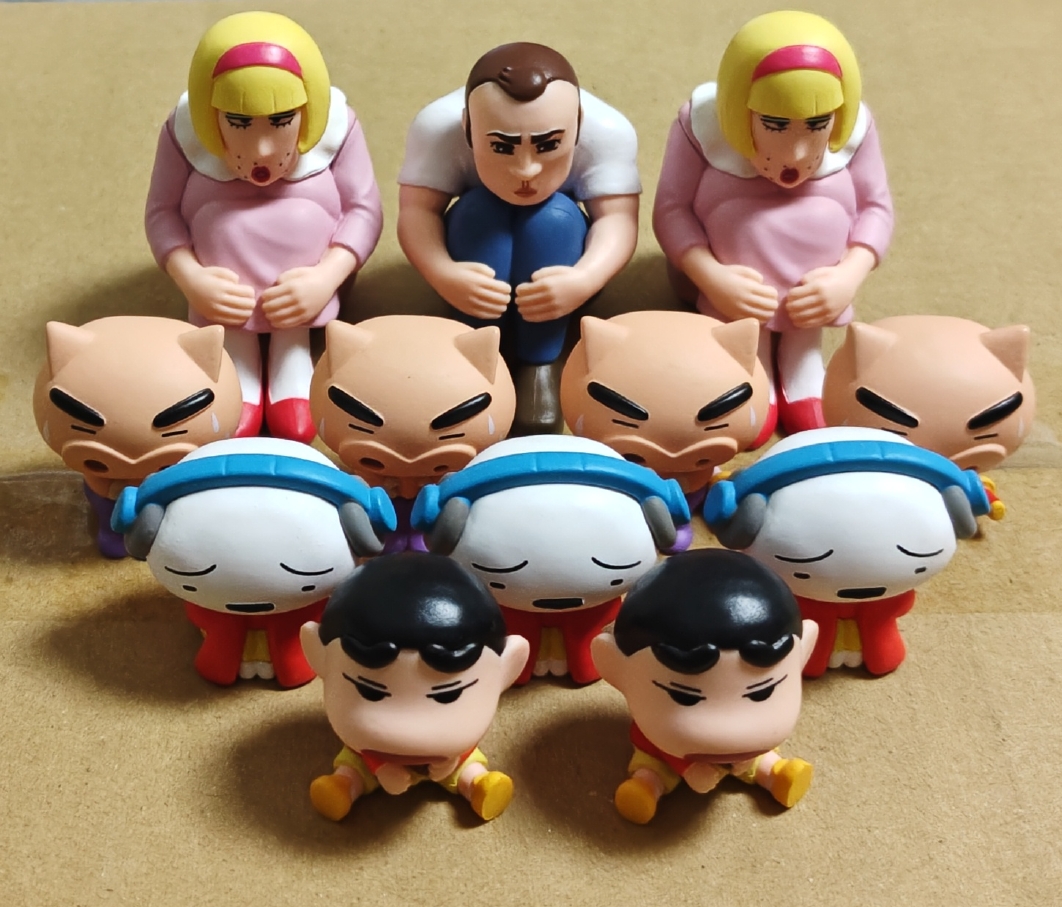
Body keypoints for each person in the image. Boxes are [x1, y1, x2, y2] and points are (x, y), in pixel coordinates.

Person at [145, 11, 383, 443]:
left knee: (301, 217)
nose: (262, 149)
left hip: (305, 284)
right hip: (222, 286)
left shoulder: (340, 128)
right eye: (238, 123)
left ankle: (291, 353)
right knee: (222, 224)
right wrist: (191, 277)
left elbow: (363, 209)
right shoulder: (182, 133)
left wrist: (325, 277)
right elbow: (162, 213)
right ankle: (239, 359)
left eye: (281, 120)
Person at [653, 10, 893, 436]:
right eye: (775, 125)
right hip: (727, 277)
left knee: (822, 214)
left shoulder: (857, 129)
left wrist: (848, 275)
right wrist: (712, 277)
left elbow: (876, 208)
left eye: (817, 124)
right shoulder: (701, 126)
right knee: (744, 220)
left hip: (813, 283)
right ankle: (753, 353)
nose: (796, 153)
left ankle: (802, 354)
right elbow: (672, 209)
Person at [397, 42, 640, 434]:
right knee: (478, 210)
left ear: (578, 122)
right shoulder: (436, 129)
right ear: (467, 126)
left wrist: (585, 278)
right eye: (501, 147)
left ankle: (539, 362)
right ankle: (474, 346)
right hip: (475, 242)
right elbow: (416, 212)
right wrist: (443, 272)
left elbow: (617, 220)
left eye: (548, 146)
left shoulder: (609, 132)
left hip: (561, 249)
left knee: (552, 219)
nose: (526, 169)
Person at [592, 549, 819, 824]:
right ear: (615, 668)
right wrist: (689, 770)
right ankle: (647, 786)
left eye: (763, 692)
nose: (729, 732)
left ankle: (776, 774)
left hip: (750, 753)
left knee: (760, 760)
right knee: (653, 767)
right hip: (663, 752)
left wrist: (746, 758)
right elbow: (671, 754)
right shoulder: (658, 730)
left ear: (803, 654)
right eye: (684, 697)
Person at [300, 553, 529, 821]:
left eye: (449, 695)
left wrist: (449, 763)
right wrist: (382, 769)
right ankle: (344, 786)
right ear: (318, 657)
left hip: (453, 755)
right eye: (370, 691)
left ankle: (478, 785)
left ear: (507, 669)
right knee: (354, 767)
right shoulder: (367, 741)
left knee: (468, 767)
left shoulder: (457, 738)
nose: (407, 732)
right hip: (367, 755)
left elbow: (455, 757)